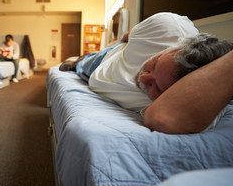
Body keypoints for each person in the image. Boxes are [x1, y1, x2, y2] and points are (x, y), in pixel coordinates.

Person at [60, 12, 233, 134]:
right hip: (111, 56)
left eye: (156, 86)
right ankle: (79, 60)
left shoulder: (192, 100)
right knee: (84, 63)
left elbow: (164, 119)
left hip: (98, 76)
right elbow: (128, 35)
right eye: (155, 63)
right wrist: (131, 45)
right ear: (176, 47)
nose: (143, 77)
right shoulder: (169, 26)